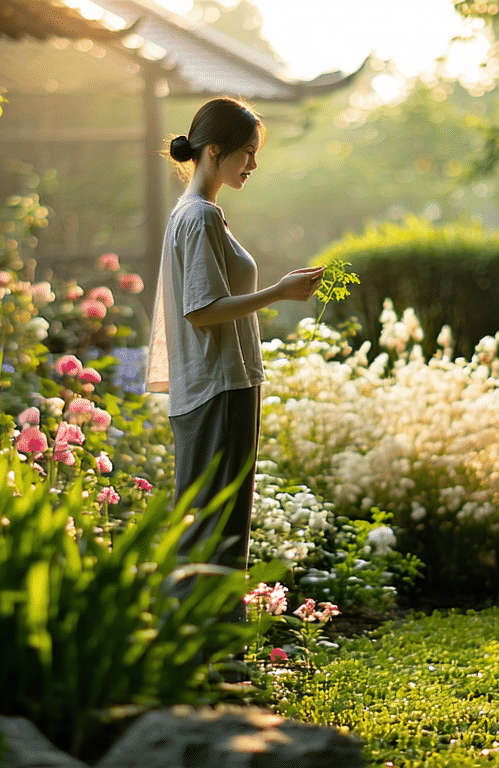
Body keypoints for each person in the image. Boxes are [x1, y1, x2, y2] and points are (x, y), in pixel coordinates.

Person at [146, 97, 323, 576]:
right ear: (214, 151)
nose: (253, 164)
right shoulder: (199, 215)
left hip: (216, 386)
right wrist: (279, 292)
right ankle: (209, 646)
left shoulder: (193, 213)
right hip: (219, 388)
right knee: (216, 534)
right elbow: (202, 311)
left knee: (209, 527)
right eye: (246, 152)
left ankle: (203, 643)